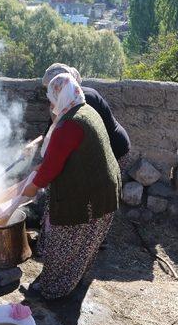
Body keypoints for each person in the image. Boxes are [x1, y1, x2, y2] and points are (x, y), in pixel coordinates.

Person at [22, 73, 121, 299]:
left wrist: (32, 187)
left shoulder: (70, 124)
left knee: (63, 244)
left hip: (88, 197)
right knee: (83, 246)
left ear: (60, 96)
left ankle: (53, 289)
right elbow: (60, 156)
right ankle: (71, 280)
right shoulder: (86, 110)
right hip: (104, 190)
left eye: (52, 98)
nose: (50, 104)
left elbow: (51, 167)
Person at [41, 63, 130, 166]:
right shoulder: (63, 101)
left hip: (115, 147)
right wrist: (32, 145)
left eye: (53, 88)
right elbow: (51, 130)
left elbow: (74, 135)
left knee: (106, 180)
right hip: (98, 150)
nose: (50, 94)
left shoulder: (85, 99)